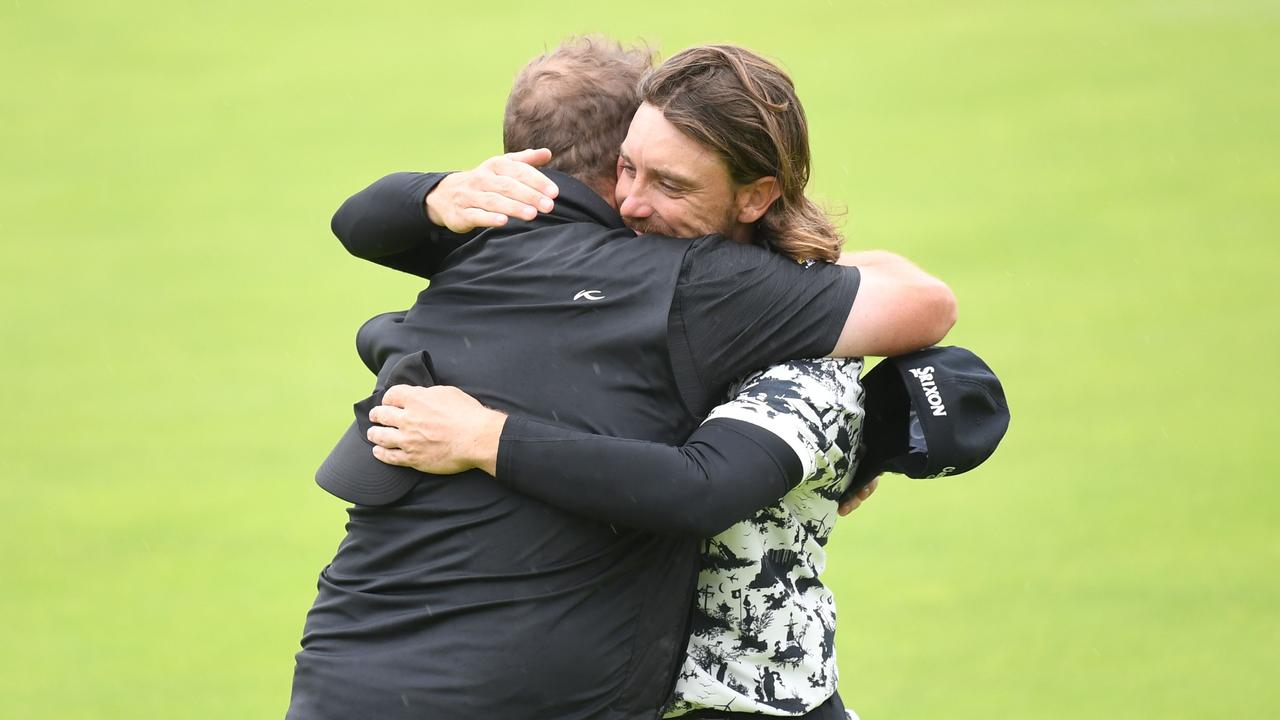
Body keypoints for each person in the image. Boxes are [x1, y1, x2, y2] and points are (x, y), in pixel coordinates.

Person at [287, 40, 955, 720]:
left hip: (739, 701)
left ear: (755, 197)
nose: (630, 204)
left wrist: (488, 437)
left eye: (669, 183)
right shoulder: (539, 246)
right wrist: (438, 192)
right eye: (626, 170)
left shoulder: (708, 294)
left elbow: (701, 488)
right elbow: (360, 229)